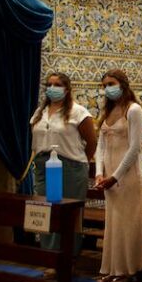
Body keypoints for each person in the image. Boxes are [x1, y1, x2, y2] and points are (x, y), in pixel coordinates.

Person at [30, 72, 97, 255]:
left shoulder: (78, 112)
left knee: (67, 213)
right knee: (45, 210)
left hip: (69, 166)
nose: (52, 88)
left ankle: (67, 256)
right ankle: (48, 254)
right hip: (43, 165)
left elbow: (92, 142)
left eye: (57, 85)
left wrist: (81, 161)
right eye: (49, 85)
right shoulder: (40, 112)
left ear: (67, 89)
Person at [93, 69, 142, 282]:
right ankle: (112, 267)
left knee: (128, 222)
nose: (107, 88)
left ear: (122, 84)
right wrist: (99, 172)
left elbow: (134, 148)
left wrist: (115, 176)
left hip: (128, 174)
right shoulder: (108, 110)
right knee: (113, 222)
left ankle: (128, 269)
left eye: (111, 84)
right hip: (109, 173)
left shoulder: (133, 110)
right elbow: (100, 145)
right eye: (104, 85)